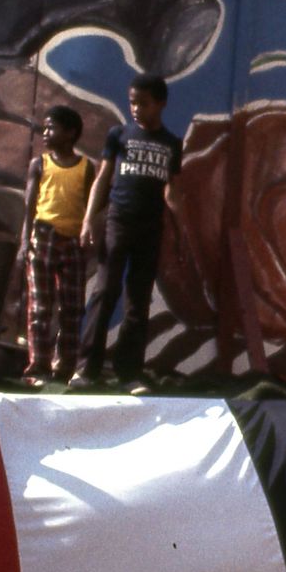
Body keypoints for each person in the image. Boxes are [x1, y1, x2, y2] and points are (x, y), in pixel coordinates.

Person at [73, 72, 183, 393]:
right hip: (119, 221)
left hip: (151, 226)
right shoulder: (119, 135)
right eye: (133, 102)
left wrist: (181, 228)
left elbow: (172, 191)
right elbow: (102, 178)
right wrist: (88, 219)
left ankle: (129, 373)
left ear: (160, 104)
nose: (136, 108)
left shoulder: (171, 143)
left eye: (143, 103)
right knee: (105, 290)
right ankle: (86, 369)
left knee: (139, 299)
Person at [15, 105, 95, 388]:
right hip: (43, 238)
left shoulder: (86, 167)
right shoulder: (40, 164)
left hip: (73, 241)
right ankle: (39, 362)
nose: (46, 133)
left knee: (72, 306)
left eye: (52, 128)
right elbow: (29, 204)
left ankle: (66, 363)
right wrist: (25, 241)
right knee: (41, 305)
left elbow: (92, 203)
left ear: (70, 133)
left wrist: (87, 233)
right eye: (45, 128)